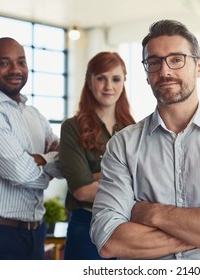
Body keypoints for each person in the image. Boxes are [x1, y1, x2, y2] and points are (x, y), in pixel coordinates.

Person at [90, 19, 200, 260]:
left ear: (198, 67)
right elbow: (110, 241)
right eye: (154, 62)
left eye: (176, 59)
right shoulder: (122, 146)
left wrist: (153, 214)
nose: (164, 71)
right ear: (146, 73)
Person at [0, 37, 61, 260]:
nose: (15, 69)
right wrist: (46, 164)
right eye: (4, 63)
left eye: (21, 62)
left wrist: (38, 159)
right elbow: (20, 173)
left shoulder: (34, 115)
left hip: (34, 233)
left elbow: (64, 164)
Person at [59, 52, 135, 260]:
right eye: (101, 78)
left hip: (127, 226)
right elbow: (82, 191)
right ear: (89, 82)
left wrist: (97, 176)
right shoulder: (72, 127)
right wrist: (125, 182)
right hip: (86, 226)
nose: (108, 86)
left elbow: (147, 181)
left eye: (115, 79)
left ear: (123, 82)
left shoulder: (134, 129)